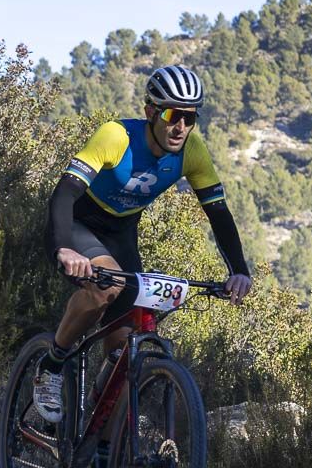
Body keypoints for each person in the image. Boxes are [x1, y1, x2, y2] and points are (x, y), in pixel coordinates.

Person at [34, 65, 252, 431]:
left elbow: (219, 213)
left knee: (125, 350)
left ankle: (100, 453)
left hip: (121, 234)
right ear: (152, 112)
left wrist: (239, 270)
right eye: (172, 115)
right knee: (107, 287)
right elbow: (65, 192)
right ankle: (52, 365)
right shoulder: (116, 136)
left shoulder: (192, 153)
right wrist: (65, 249)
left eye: (190, 118)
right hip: (78, 224)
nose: (180, 126)